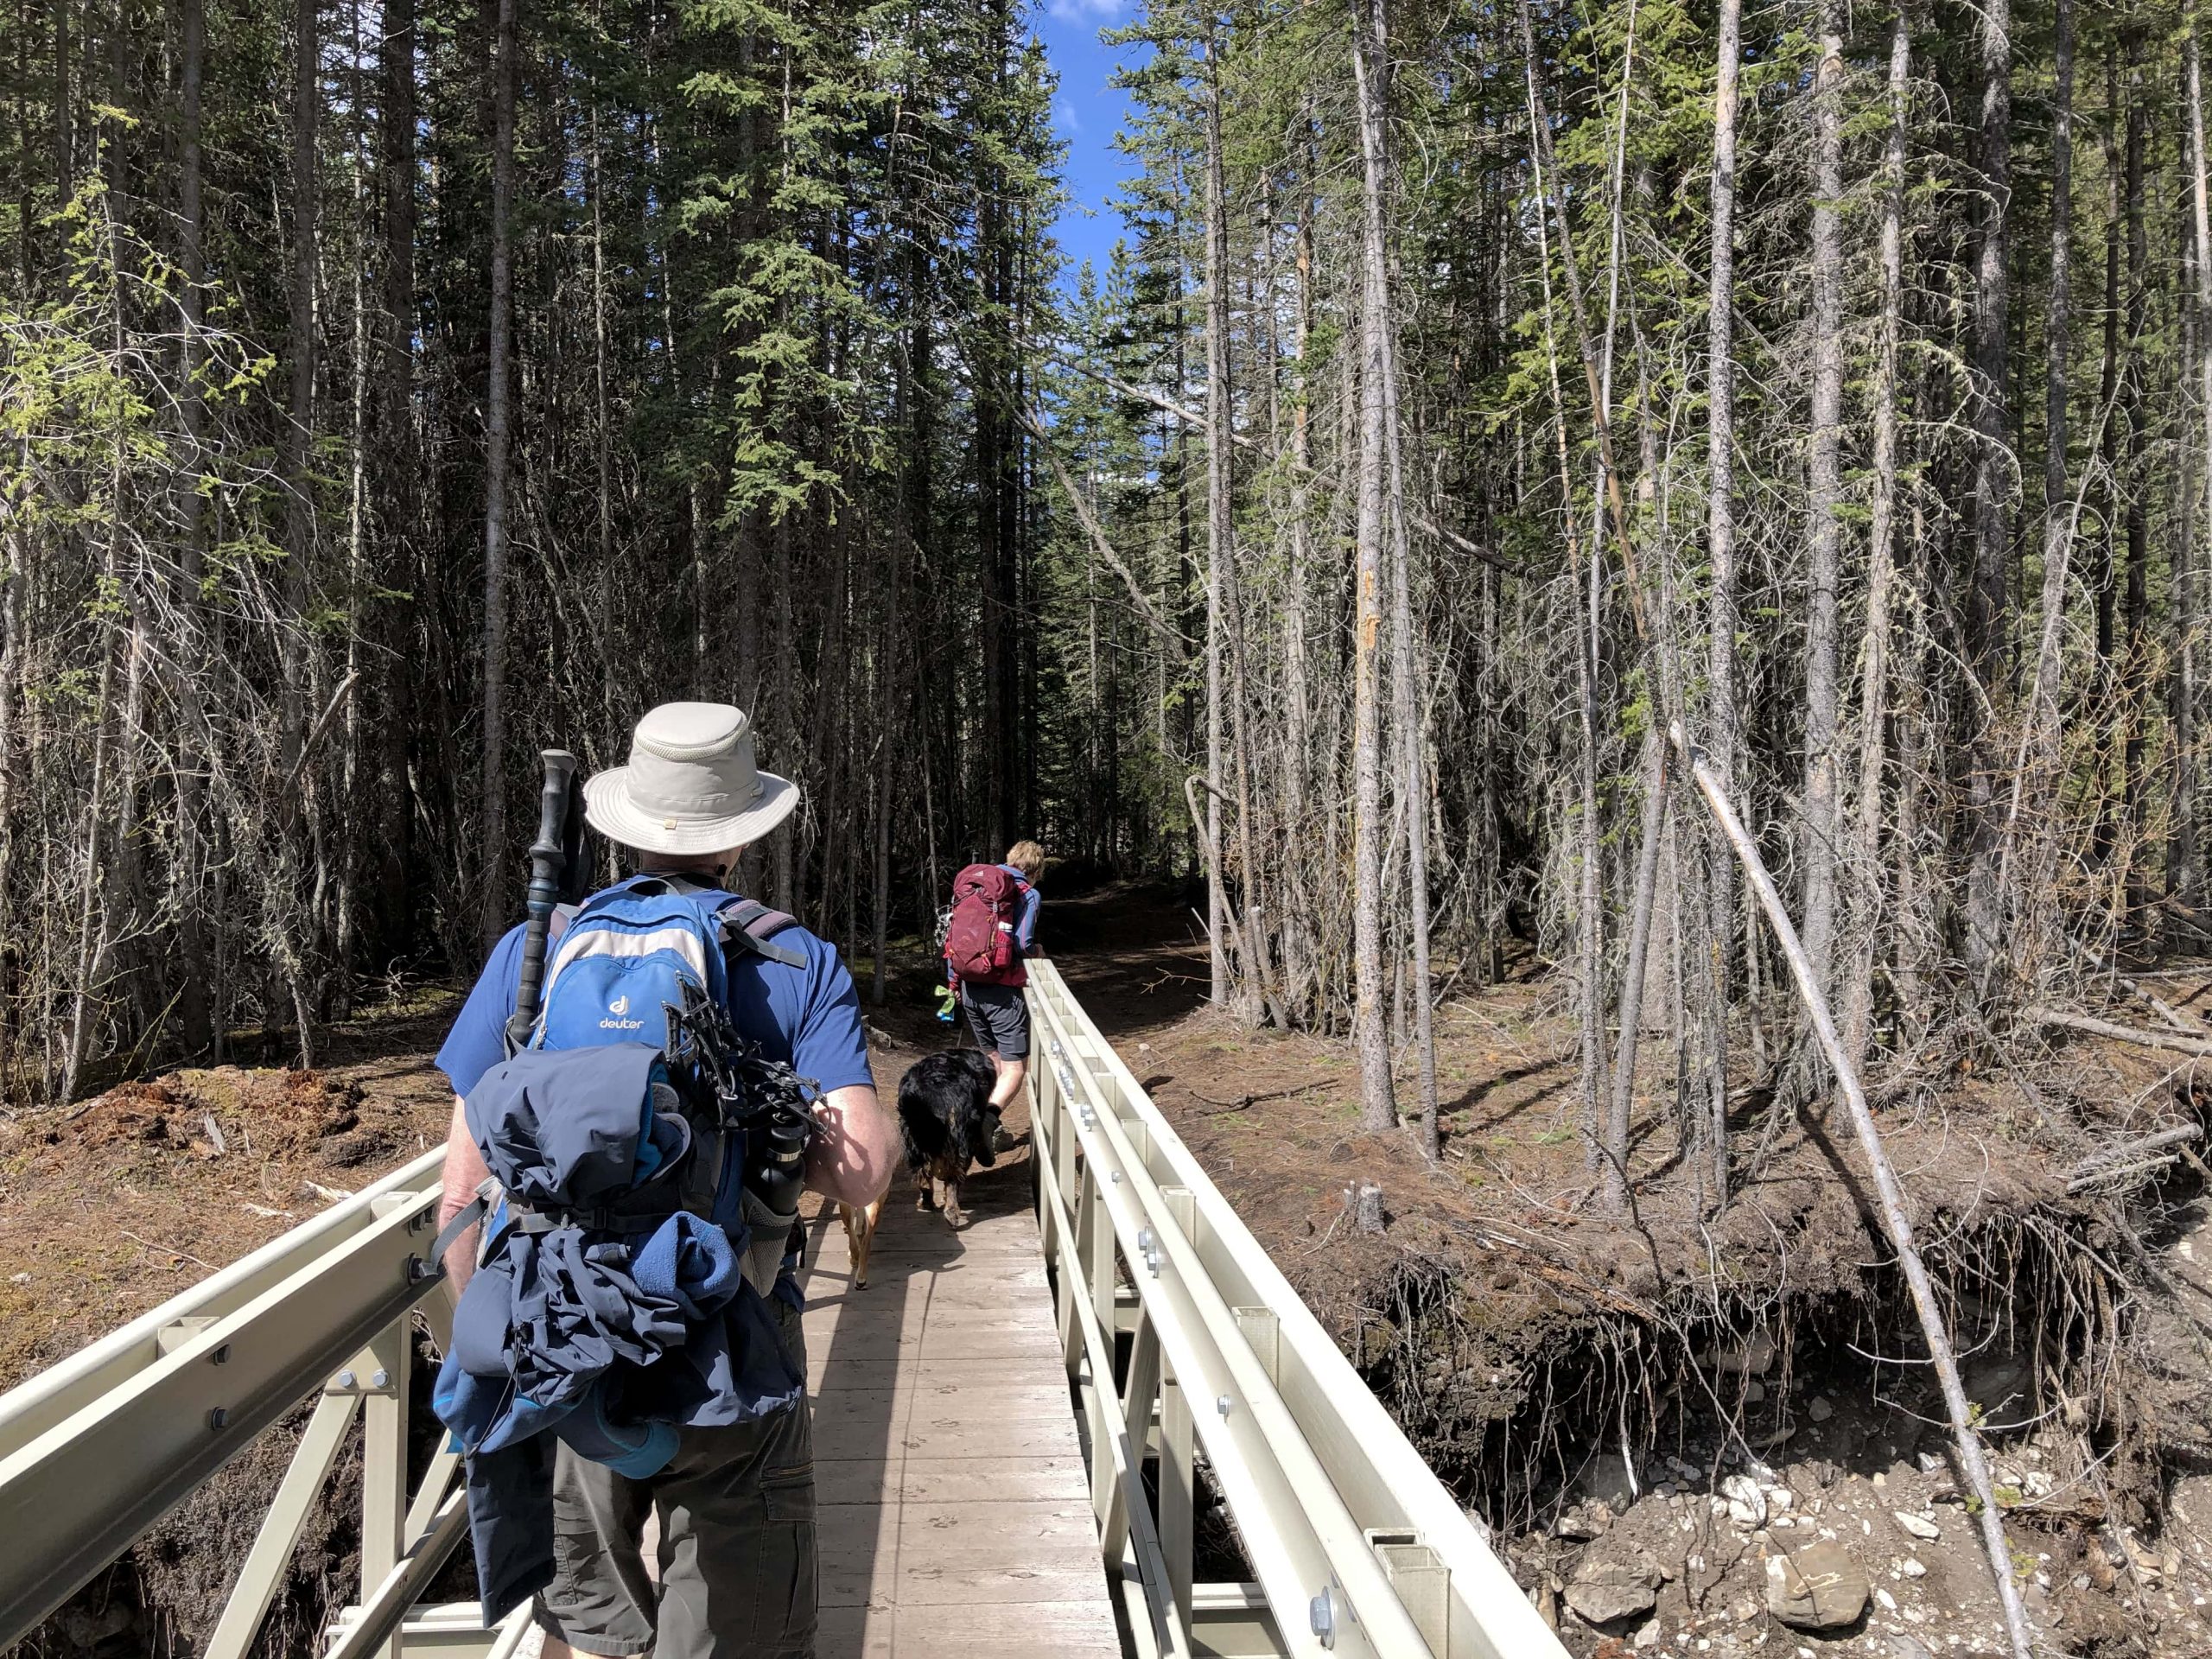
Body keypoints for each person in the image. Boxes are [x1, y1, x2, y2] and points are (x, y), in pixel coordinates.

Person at [435, 701, 899, 1659]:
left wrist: (510, 1330)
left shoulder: (538, 950)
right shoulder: (793, 959)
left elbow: (459, 1193)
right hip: (729, 1335)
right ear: (743, 834)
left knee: (589, 1625)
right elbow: (859, 1174)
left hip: (566, 1333)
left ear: (625, 822)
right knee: (737, 1625)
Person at [948, 840, 1045, 1116]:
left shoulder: (976, 886)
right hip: (1003, 993)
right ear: (1036, 870)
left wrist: (954, 981)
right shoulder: (1026, 893)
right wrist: (1038, 951)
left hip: (970, 987)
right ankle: (984, 1121)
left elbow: (955, 937)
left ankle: (976, 1120)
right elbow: (1022, 944)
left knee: (994, 1062)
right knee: (1015, 1069)